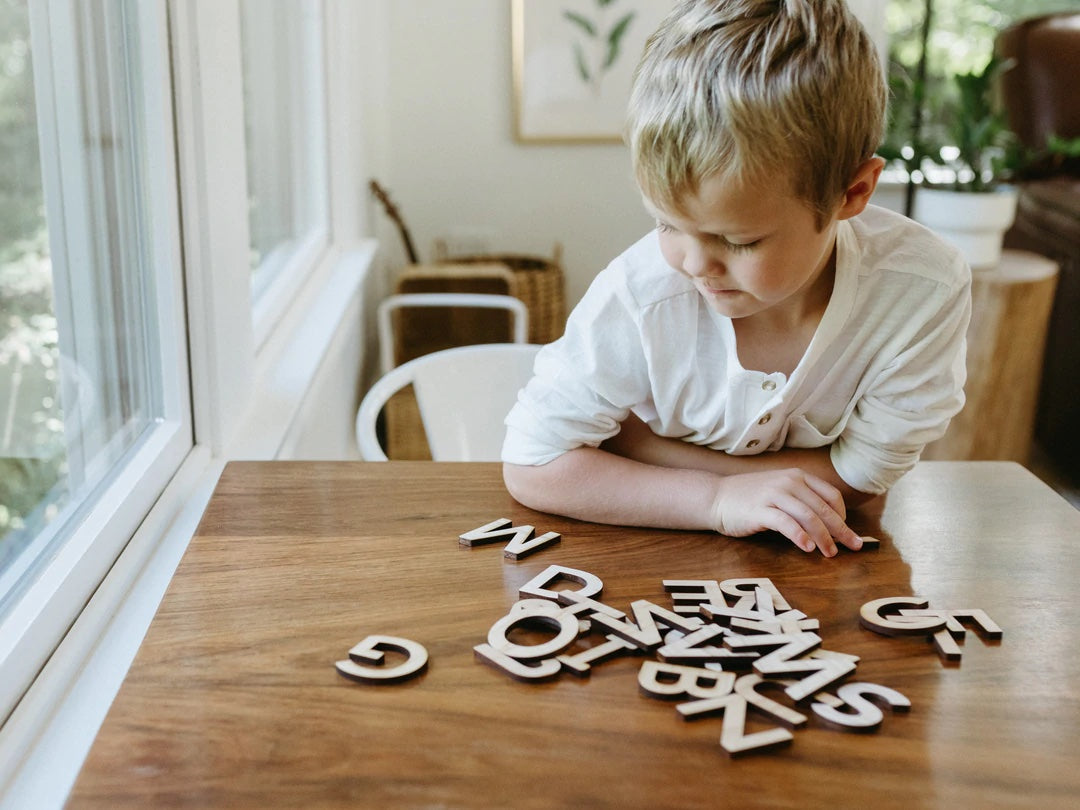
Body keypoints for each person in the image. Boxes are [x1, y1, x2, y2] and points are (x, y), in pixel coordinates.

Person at [501, 0, 970, 557]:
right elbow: (534, 461)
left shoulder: (921, 291)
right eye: (666, 224)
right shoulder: (640, 293)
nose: (695, 265)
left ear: (852, 193)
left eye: (739, 241)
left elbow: (863, 481)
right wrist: (718, 498)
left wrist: (640, 445)